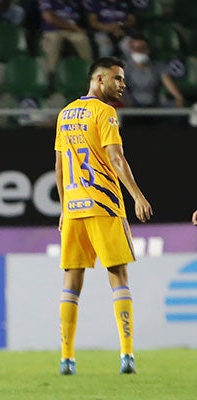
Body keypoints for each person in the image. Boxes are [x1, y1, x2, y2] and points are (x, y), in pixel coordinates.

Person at [54, 56, 153, 376]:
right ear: (99, 80)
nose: (123, 85)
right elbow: (116, 157)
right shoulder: (105, 112)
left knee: (71, 281)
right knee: (118, 277)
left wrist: (64, 206)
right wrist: (137, 195)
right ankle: (127, 355)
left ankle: (66, 359)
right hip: (105, 205)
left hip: (74, 208)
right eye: (118, 79)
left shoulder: (65, 113)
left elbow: (58, 166)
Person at [121, 34, 185, 125]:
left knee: (178, 109)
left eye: (142, 48)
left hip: (155, 106)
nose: (139, 51)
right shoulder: (124, 68)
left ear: (148, 50)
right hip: (132, 106)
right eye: (136, 48)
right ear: (131, 50)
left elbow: (168, 83)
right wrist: (126, 103)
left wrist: (179, 98)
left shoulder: (158, 66)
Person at [38, 0, 93, 76]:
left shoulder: (75, 2)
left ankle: (89, 72)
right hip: (53, 30)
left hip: (72, 31)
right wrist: (72, 27)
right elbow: (49, 18)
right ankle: (49, 75)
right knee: (53, 40)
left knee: (82, 38)